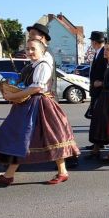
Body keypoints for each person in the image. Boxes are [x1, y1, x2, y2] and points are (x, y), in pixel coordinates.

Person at [0, 39, 80, 185]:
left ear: (42, 51)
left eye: (33, 49)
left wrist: (13, 95)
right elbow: (28, 86)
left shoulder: (43, 65)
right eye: (27, 49)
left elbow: (36, 88)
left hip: (40, 105)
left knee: (50, 138)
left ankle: (62, 172)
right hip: (29, 104)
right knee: (21, 139)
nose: (29, 52)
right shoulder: (33, 65)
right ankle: (9, 174)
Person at [27, 23, 80, 168]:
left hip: (46, 95)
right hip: (41, 96)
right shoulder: (39, 52)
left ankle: (69, 157)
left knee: (55, 130)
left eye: (33, 35)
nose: (30, 37)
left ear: (42, 37)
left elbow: (44, 79)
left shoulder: (45, 54)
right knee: (42, 129)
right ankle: (15, 158)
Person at [88, 43, 109, 157]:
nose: (105, 51)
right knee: (98, 122)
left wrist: (102, 83)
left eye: (108, 50)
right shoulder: (108, 64)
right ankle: (96, 149)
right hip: (104, 96)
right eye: (105, 50)